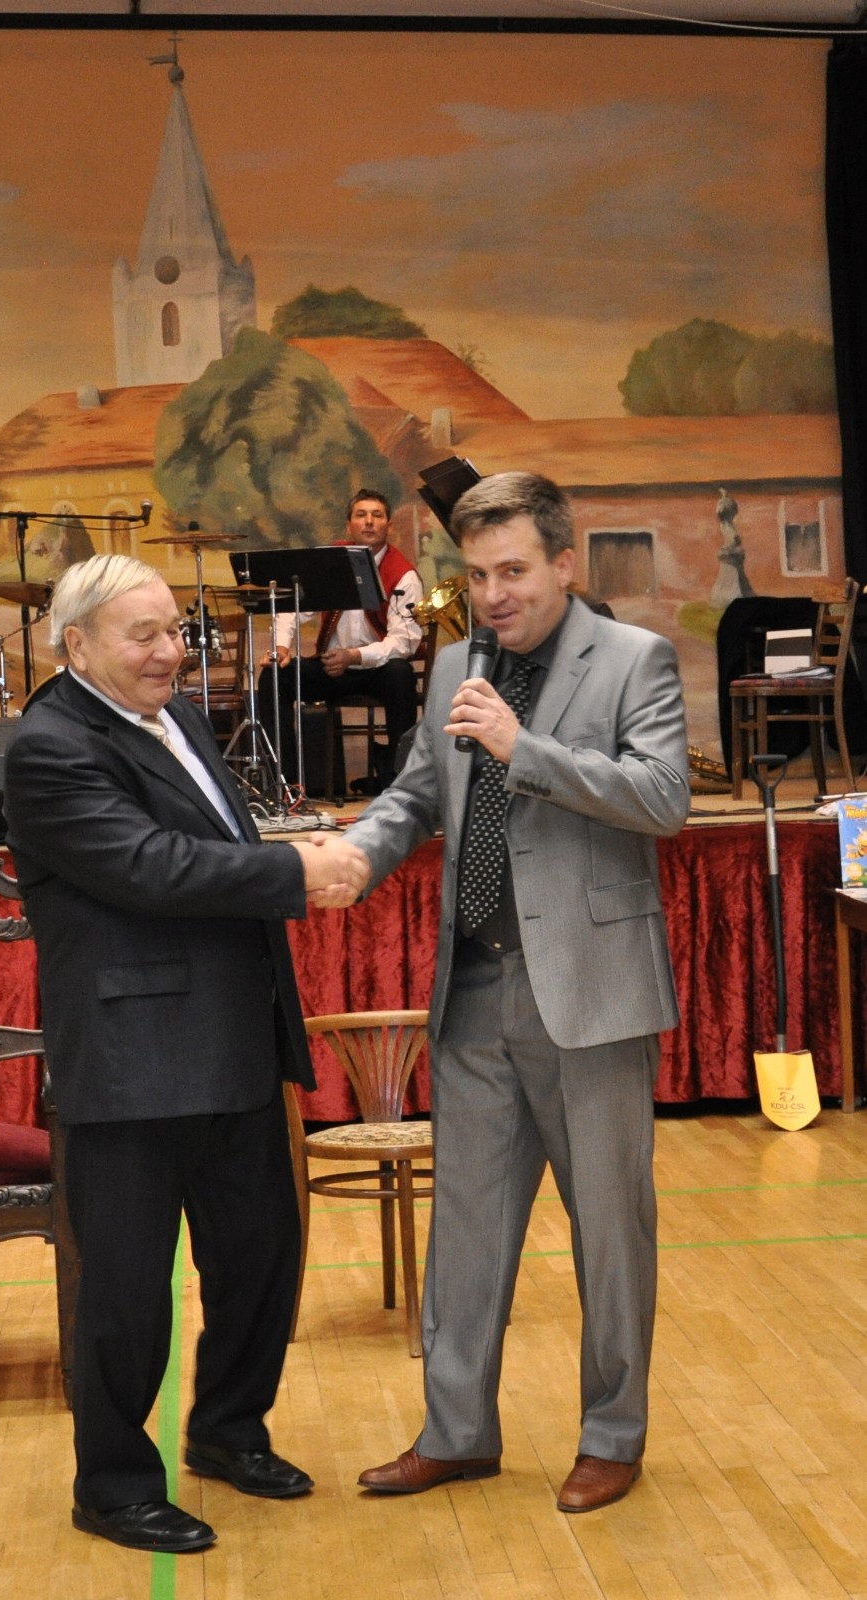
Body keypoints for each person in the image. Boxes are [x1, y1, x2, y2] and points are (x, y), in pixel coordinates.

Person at [324, 472, 690, 1514]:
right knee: (468, 1228)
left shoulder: (633, 660)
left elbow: (663, 797)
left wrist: (522, 749)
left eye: (514, 571)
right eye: (479, 574)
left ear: (564, 565)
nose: (492, 594)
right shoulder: (452, 668)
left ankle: (612, 1435)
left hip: (591, 995)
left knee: (609, 1231)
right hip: (474, 985)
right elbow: (414, 796)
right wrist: (356, 856)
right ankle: (456, 1433)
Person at [3, 553, 368, 1555]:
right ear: (77, 645)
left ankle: (228, 1431)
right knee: (126, 1292)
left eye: (177, 631)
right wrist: (295, 870)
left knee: (260, 1259)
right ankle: (114, 1485)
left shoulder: (179, 718)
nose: (172, 651)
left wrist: (296, 854)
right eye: (146, 635)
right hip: (134, 1061)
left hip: (233, 1040)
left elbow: (211, 845)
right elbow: (148, 867)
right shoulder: (49, 746)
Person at [259, 489, 424, 794]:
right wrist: (281, 647)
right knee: (274, 675)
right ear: (349, 525)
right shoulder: (331, 561)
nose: (369, 522)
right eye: (361, 515)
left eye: (377, 515)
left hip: (377, 671)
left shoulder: (403, 575)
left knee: (401, 673)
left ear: (388, 525)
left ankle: (401, 780)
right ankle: (285, 782)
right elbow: (291, 607)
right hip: (331, 669)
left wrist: (354, 656)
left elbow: (403, 643)